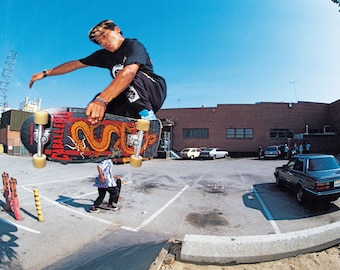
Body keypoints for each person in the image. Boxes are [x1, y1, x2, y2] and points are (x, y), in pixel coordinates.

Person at [29, 19, 167, 124]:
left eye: (104, 35)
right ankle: (104, 148)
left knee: (123, 75)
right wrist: (46, 73)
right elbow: (74, 64)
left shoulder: (133, 46)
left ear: (117, 30)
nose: (103, 42)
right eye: (99, 41)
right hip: (131, 100)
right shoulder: (104, 55)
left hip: (153, 92)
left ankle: (148, 116)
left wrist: (102, 99)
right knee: (101, 108)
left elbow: (129, 72)